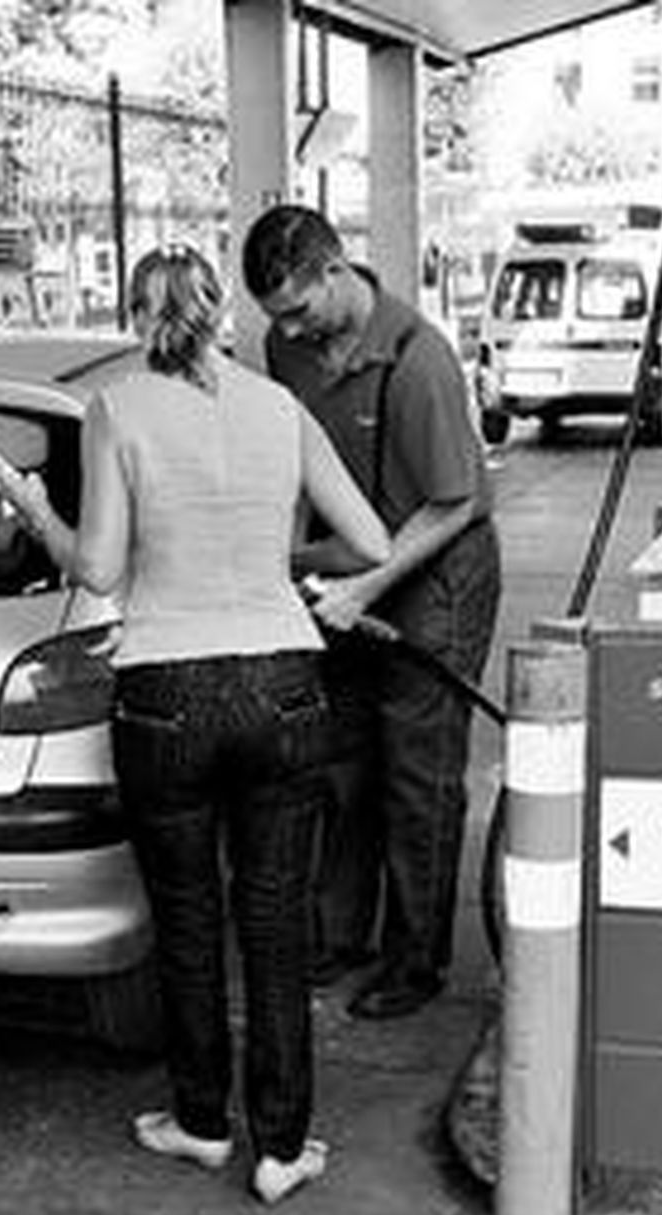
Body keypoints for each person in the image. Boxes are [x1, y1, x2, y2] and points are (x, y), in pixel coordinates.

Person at [0, 244, 389, 1204]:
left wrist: (34, 505)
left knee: (190, 915)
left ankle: (203, 1122)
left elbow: (100, 570)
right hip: (282, 681)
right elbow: (371, 541)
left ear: (137, 315)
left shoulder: (117, 408)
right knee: (276, 917)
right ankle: (283, 1146)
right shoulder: (278, 407)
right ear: (221, 314)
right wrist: (272, 549)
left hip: (165, 692)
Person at [241, 204, 502, 1021]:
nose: (289, 328)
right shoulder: (289, 347)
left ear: (333, 271)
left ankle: (415, 958)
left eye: (298, 307)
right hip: (345, 571)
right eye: (276, 316)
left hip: (435, 572)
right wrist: (286, 562)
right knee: (340, 761)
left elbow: (455, 502)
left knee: (415, 771)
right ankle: (341, 933)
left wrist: (363, 588)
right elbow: (293, 456)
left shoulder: (418, 360)